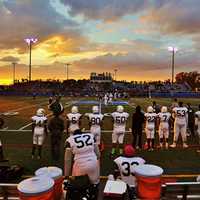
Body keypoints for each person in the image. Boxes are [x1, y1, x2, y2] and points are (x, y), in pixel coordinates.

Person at [64, 129, 100, 199]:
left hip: (80, 166)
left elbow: (67, 160)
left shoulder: (69, 140)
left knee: (79, 188)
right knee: (95, 185)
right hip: (93, 163)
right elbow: (98, 154)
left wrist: (66, 176)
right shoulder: (91, 136)